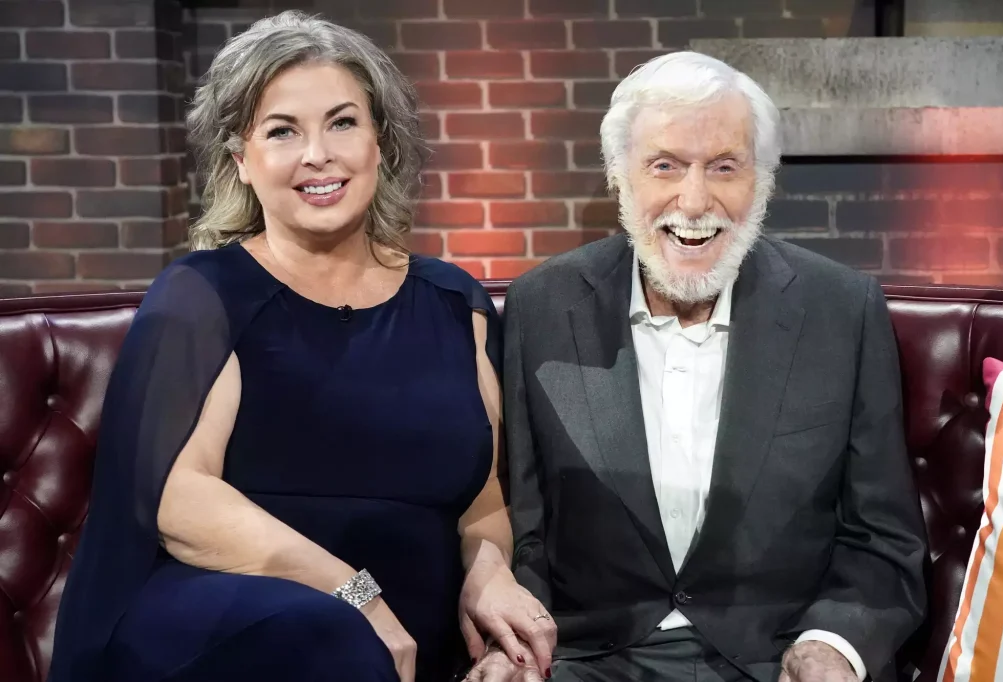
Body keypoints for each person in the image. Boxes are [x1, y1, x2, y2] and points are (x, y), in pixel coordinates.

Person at [47, 11, 556, 682]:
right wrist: (356, 597)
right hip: (233, 626)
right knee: (324, 639)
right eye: (283, 131)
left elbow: (482, 502)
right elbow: (179, 503)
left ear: (381, 142)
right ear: (242, 162)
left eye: (343, 123)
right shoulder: (204, 296)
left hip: (402, 634)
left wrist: (491, 578)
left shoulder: (453, 303)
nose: (318, 153)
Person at [471, 52, 928, 682]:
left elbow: (884, 539)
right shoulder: (542, 306)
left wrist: (832, 645)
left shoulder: (841, 309)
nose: (693, 201)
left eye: (724, 168)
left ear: (761, 181)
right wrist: (513, 647)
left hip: (777, 659)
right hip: (587, 659)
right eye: (665, 166)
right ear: (619, 176)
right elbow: (527, 525)